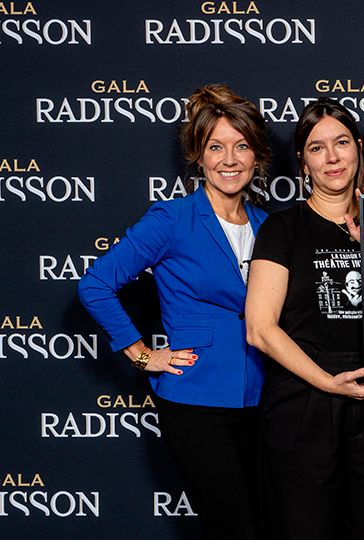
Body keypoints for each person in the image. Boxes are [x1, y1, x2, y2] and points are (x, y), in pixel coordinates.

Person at [78, 84, 271, 539]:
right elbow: (95, 285)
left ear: (257, 156)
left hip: (264, 400)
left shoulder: (269, 225)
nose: (229, 159)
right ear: (198, 157)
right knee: (235, 529)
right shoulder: (172, 219)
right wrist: (144, 355)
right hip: (197, 403)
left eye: (241, 146)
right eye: (216, 147)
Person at [245, 97, 364, 540]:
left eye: (342, 143)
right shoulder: (282, 228)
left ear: (359, 149)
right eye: (317, 148)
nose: (332, 157)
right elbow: (260, 327)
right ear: (303, 162)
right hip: (304, 406)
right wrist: (329, 382)